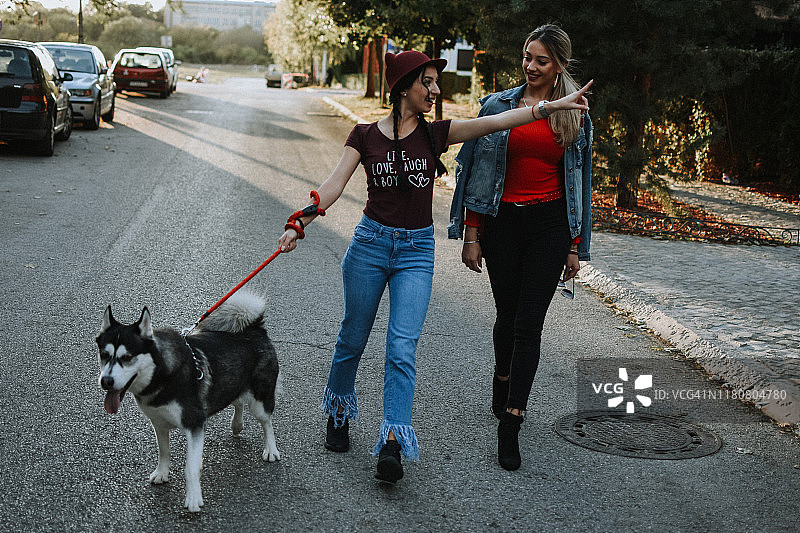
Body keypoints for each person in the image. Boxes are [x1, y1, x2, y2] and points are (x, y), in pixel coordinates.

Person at [279, 49, 591, 483]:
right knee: (352, 339)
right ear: (403, 87)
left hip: (415, 252)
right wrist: (300, 221)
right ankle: (339, 409)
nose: (435, 90)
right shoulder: (364, 135)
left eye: (435, 82)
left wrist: (548, 108)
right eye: (427, 82)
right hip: (370, 246)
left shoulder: (436, 134)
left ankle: (393, 440)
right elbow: (333, 185)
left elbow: (498, 122)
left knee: (401, 349)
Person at [448, 24, 593, 471]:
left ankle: (512, 420)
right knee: (507, 317)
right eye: (528, 57)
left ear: (559, 65)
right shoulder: (498, 106)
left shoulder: (575, 114)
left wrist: (574, 245)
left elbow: (580, 184)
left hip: (549, 227)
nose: (531, 66)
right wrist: (471, 234)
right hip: (503, 224)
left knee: (530, 324)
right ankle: (503, 375)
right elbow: (475, 172)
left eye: (541, 60)